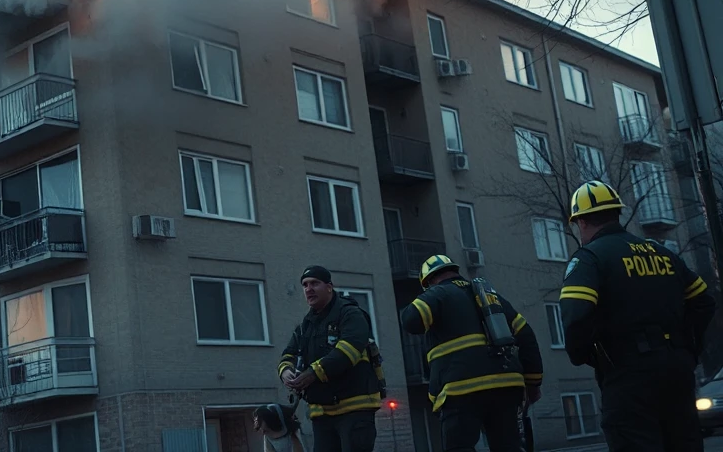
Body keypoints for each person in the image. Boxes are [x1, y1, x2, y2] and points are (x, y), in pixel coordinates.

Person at [559, 180, 716, 451]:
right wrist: (688, 348)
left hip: (628, 374)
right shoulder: (662, 252)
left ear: (581, 222)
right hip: (677, 370)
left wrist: (584, 355)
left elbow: (576, 314)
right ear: (617, 213)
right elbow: (703, 301)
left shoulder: (589, 258)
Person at [401, 254, 543, 451]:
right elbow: (526, 336)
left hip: (462, 390)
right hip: (507, 386)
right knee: (508, 447)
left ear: (430, 281)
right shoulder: (491, 297)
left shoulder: (438, 293)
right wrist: (533, 383)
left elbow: (410, 320)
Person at [278, 265, 382, 452]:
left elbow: (347, 352)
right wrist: (286, 371)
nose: (309, 289)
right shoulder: (305, 326)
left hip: (355, 408)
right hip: (322, 413)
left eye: (314, 283)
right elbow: (289, 353)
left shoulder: (350, 314)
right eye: (305, 285)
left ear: (329, 287)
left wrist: (312, 373)